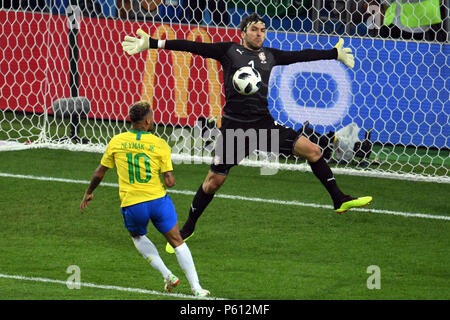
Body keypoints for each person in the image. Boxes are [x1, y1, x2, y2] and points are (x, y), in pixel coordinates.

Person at [121, 13, 373, 254]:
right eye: (254, 29)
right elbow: (191, 47)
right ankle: (188, 228)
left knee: (314, 150)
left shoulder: (270, 55)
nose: (259, 34)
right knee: (213, 183)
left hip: (263, 126)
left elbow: (301, 55)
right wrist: (153, 43)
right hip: (234, 129)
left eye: (263, 30)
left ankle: (339, 199)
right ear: (243, 33)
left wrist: (334, 53)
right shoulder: (229, 51)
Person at [79, 101, 210, 297]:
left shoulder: (117, 141)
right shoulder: (160, 144)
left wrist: (89, 192)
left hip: (133, 204)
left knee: (137, 236)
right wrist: (168, 177)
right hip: (158, 202)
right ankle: (197, 289)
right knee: (177, 241)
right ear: (148, 121)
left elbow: (100, 172)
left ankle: (167, 275)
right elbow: (170, 180)